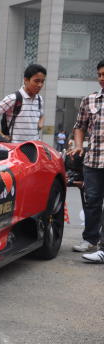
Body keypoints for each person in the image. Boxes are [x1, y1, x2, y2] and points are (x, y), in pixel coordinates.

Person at [71, 59, 104, 260]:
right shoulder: (89, 100)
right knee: (91, 201)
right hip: (92, 161)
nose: (101, 78)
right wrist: (77, 145)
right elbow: (79, 126)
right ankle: (90, 239)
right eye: (99, 75)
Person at [0, 64, 46, 142]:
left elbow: (41, 115)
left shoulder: (39, 99)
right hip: (16, 148)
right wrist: (2, 136)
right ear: (26, 80)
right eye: (36, 81)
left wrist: (40, 124)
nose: (40, 85)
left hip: (35, 146)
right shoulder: (13, 98)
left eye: (42, 81)